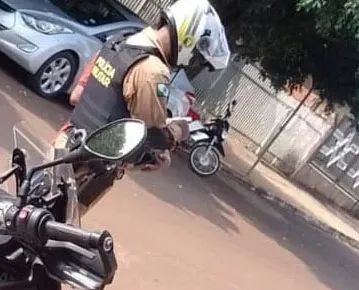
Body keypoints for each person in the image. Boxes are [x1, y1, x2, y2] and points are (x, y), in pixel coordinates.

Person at [56, 0, 231, 171]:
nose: (192, 61)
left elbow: (77, 96)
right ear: (188, 40)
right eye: (196, 55)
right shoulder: (153, 71)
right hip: (86, 168)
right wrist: (178, 131)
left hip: (63, 142)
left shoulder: (121, 41)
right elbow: (151, 136)